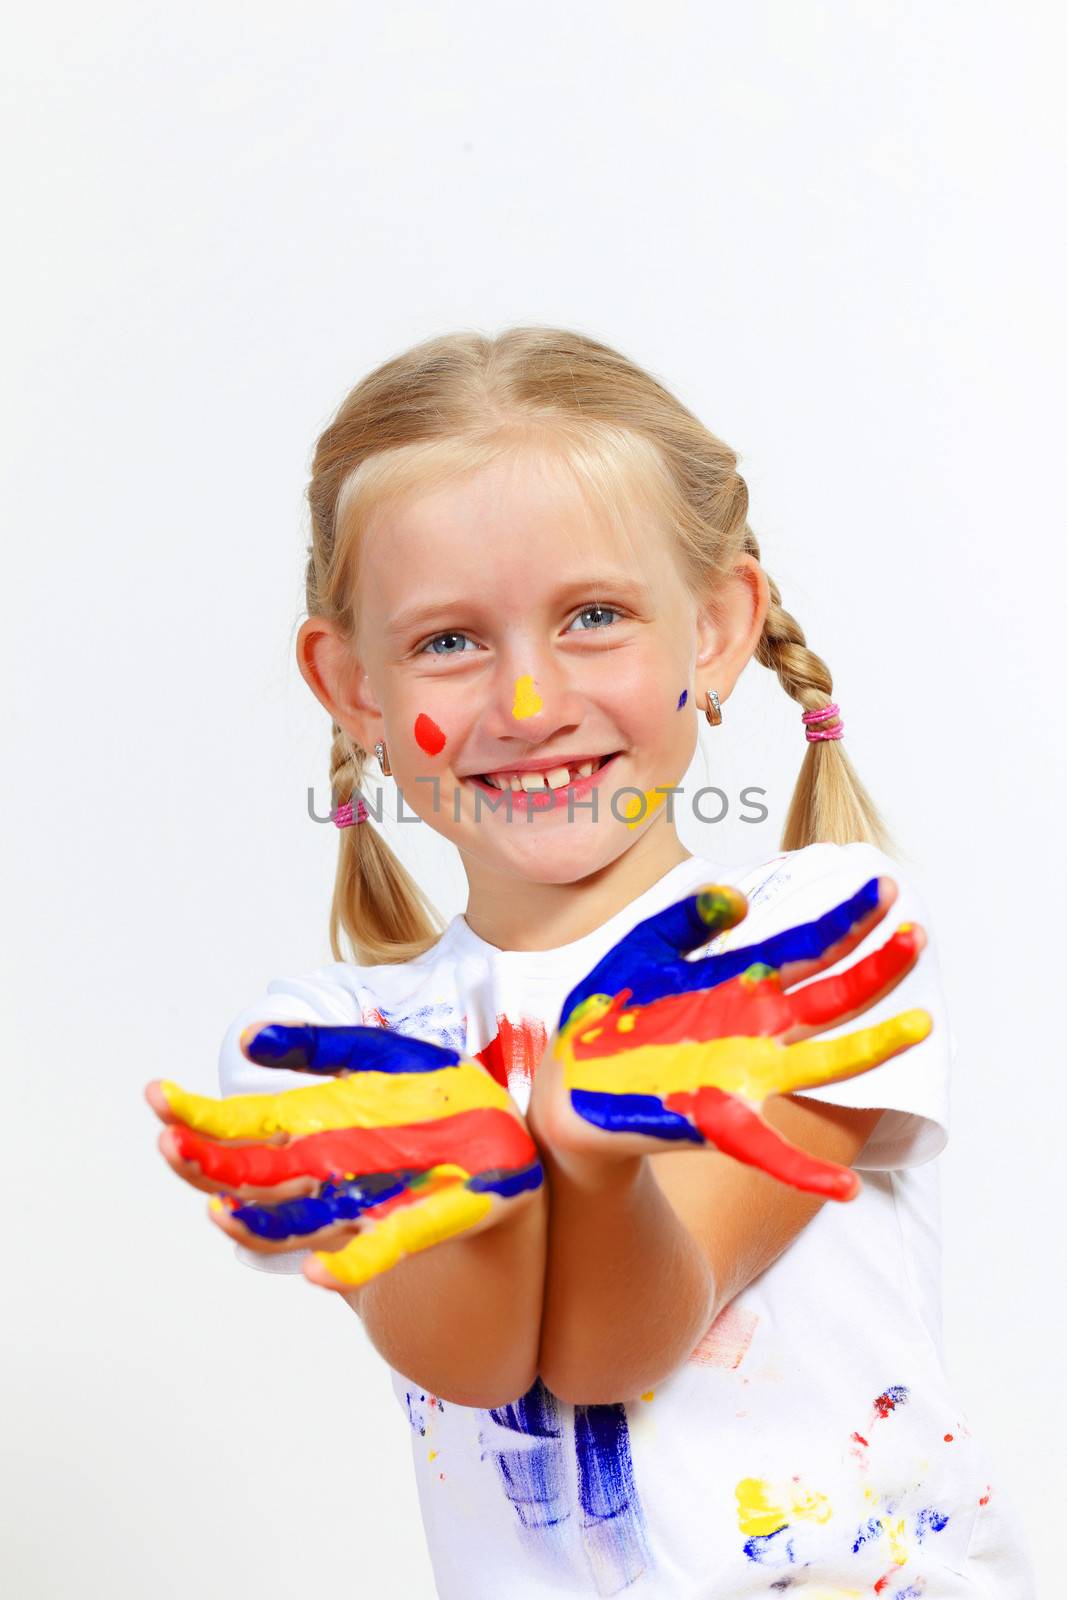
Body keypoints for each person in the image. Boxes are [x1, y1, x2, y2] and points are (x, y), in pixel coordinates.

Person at [147, 327, 1034, 1597]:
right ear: (352, 688)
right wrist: (491, 1172)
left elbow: (618, 1351)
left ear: (719, 629)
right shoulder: (326, 1045)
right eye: (447, 640)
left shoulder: (805, 941)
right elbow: (478, 1367)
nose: (525, 702)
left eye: (594, 616)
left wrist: (586, 1156)